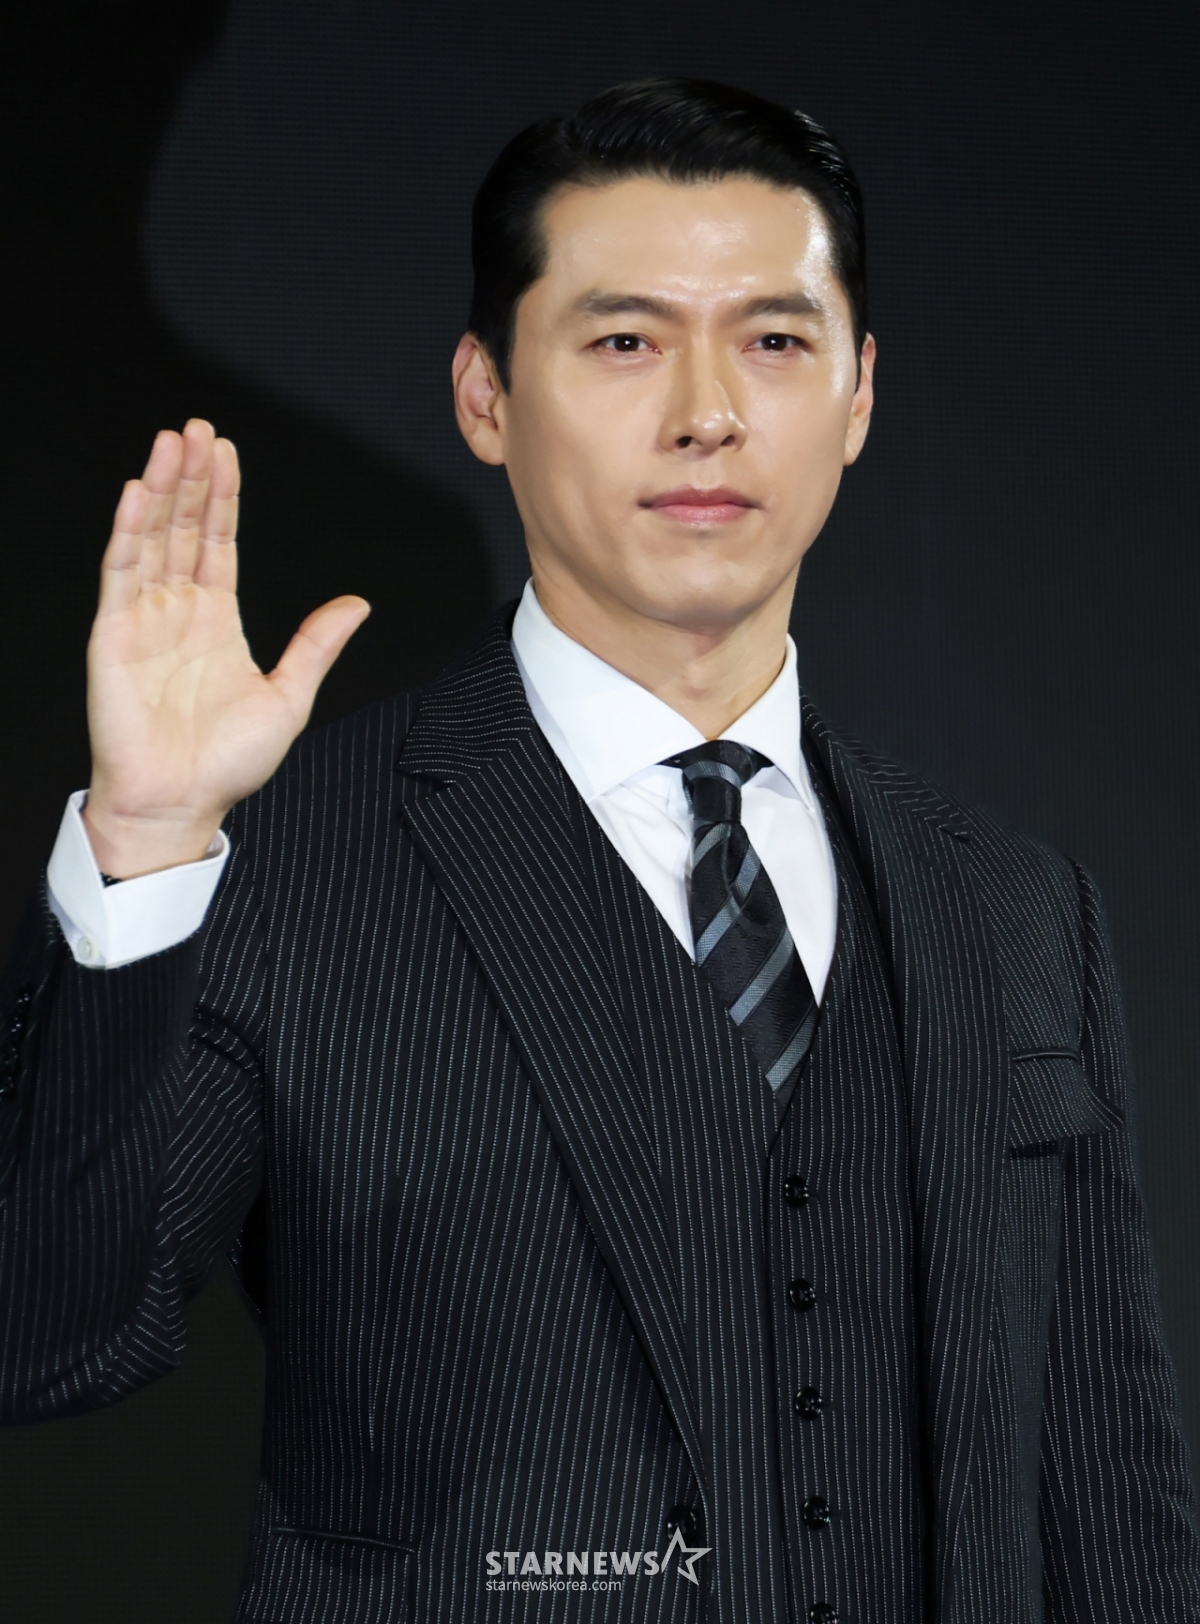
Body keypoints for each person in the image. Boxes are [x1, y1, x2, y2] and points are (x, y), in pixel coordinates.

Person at [0, 76, 1195, 1624]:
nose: (708, 411)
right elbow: (46, 1338)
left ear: (859, 395)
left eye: (775, 342)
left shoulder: (1014, 905)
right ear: (485, 396)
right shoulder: (277, 870)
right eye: (625, 341)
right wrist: (152, 843)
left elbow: (1112, 1507)